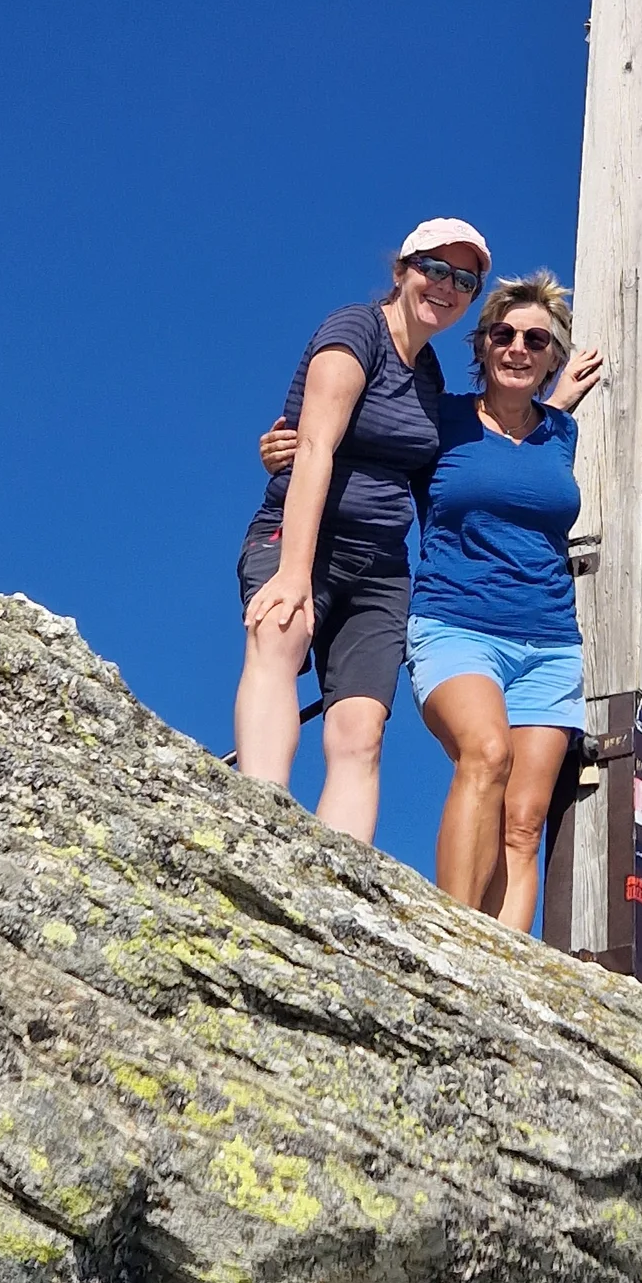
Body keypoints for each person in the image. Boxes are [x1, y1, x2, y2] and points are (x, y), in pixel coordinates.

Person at [234, 219, 491, 842]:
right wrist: (294, 572)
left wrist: (552, 410)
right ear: (402, 271)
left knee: (361, 728)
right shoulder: (357, 331)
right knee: (280, 632)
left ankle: (334, 870)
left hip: (380, 567)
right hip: (305, 537)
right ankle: (258, 822)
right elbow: (314, 447)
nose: (447, 287)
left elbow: (447, 469)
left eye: (465, 281)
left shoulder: (428, 375)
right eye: (435, 269)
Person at [410, 272, 600, 931]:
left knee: (522, 821)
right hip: (455, 628)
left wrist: (561, 398)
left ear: (552, 358)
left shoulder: (561, 434)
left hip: (549, 645)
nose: (518, 347)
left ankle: (500, 968)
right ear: (483, 346)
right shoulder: (444, 420)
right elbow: (371, 441)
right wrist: (293, 445)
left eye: (536, 340)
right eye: (504, 334)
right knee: (486, 753)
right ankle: (451, 940)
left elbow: (540, 435)